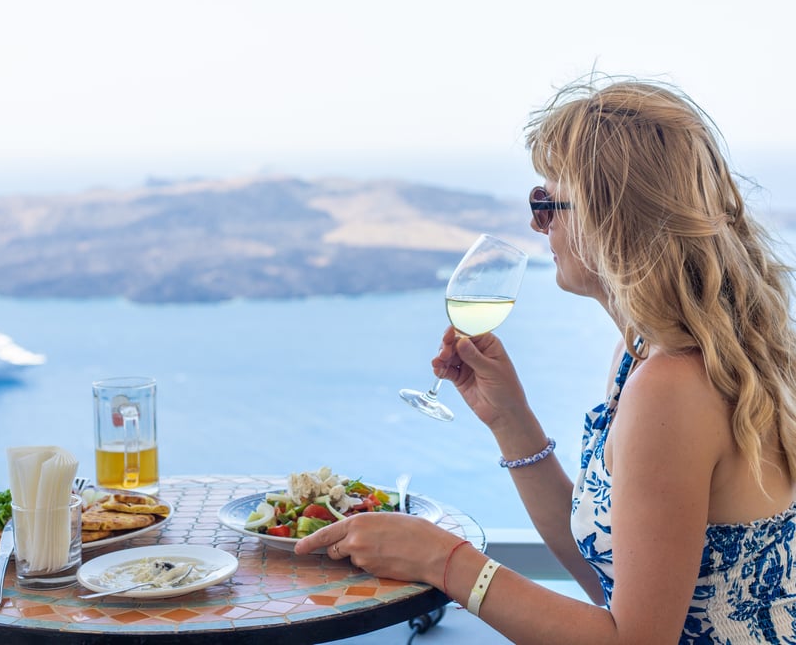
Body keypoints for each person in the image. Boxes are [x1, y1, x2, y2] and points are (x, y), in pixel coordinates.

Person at [294, 75, 796, 643]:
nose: (540, 227)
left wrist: (443, 561)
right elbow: (612, 574)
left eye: (547, 203)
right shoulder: (642, 353)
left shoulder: (671, 387)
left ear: (615, 219)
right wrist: (510, 420)